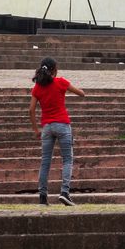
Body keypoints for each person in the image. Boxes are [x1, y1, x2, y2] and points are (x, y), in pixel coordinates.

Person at [29, 57, 85, 206]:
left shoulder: (37, 87)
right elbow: (81, 93)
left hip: (47, 127)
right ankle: (65, 192)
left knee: (45, 162)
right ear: (55, 69)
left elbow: (31, 110)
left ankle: (42, 197)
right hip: (62, 124)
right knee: (67, 159)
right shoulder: (61, 82)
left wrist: (36, 129)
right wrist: (82, 91)